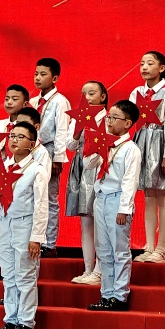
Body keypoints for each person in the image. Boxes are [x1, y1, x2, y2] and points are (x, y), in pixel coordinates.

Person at [0, 121, 51, 329]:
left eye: (20, 137)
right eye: (12, 136)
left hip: (25, 225)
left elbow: (41, 206)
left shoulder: (36, 170)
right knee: (8, 275)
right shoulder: (4, 166)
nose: (14, 140)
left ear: (32, 144)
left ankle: (26, 322)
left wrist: (36, 237)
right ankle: (11, 319)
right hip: (5, 224)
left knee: (25, 275)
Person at [87, 100, 143, 312]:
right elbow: (88, 164)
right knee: (103, 249)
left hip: (118, 199)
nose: (109, 121)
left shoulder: (131, 149)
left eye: (114, 118)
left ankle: (119, 295)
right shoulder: (106, 143)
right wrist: (96, 148)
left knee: (119, 249)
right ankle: (106, 293)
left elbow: (130, 181)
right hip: (101, 197)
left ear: (127, 123)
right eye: (108, 117)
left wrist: (124, 209)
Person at [130, 51, 165, 263]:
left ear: (161, 68)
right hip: (142, 142)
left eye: (149, 63)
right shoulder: (137, 92)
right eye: (141, 63)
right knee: (148, 197)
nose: (144, 67)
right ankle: (149, 246)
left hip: (160, 144)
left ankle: (161, 249)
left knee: (162, 196)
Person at [68, 81, 110, 285]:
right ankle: (87, 269)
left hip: (100, 167)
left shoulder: (109, 118)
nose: (87, 98)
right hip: (80, 168)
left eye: (91, 93)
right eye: (83, 94)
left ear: (102, 97)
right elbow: (70, 145)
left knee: (100, 221)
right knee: (86, 221)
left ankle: (100, 270)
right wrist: (77, 129)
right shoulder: (77, 118)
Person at [34, 57, 71, 256]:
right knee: (34, 196)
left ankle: (49, 243)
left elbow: (61, 131)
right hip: (32, 152)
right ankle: (35, 239)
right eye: (36, 74)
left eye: (43, 74)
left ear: (55, 78)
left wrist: (58, 157)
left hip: (49, 151)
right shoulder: (33, 101)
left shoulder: (60, 101)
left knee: (49, 197)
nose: (38, 78)